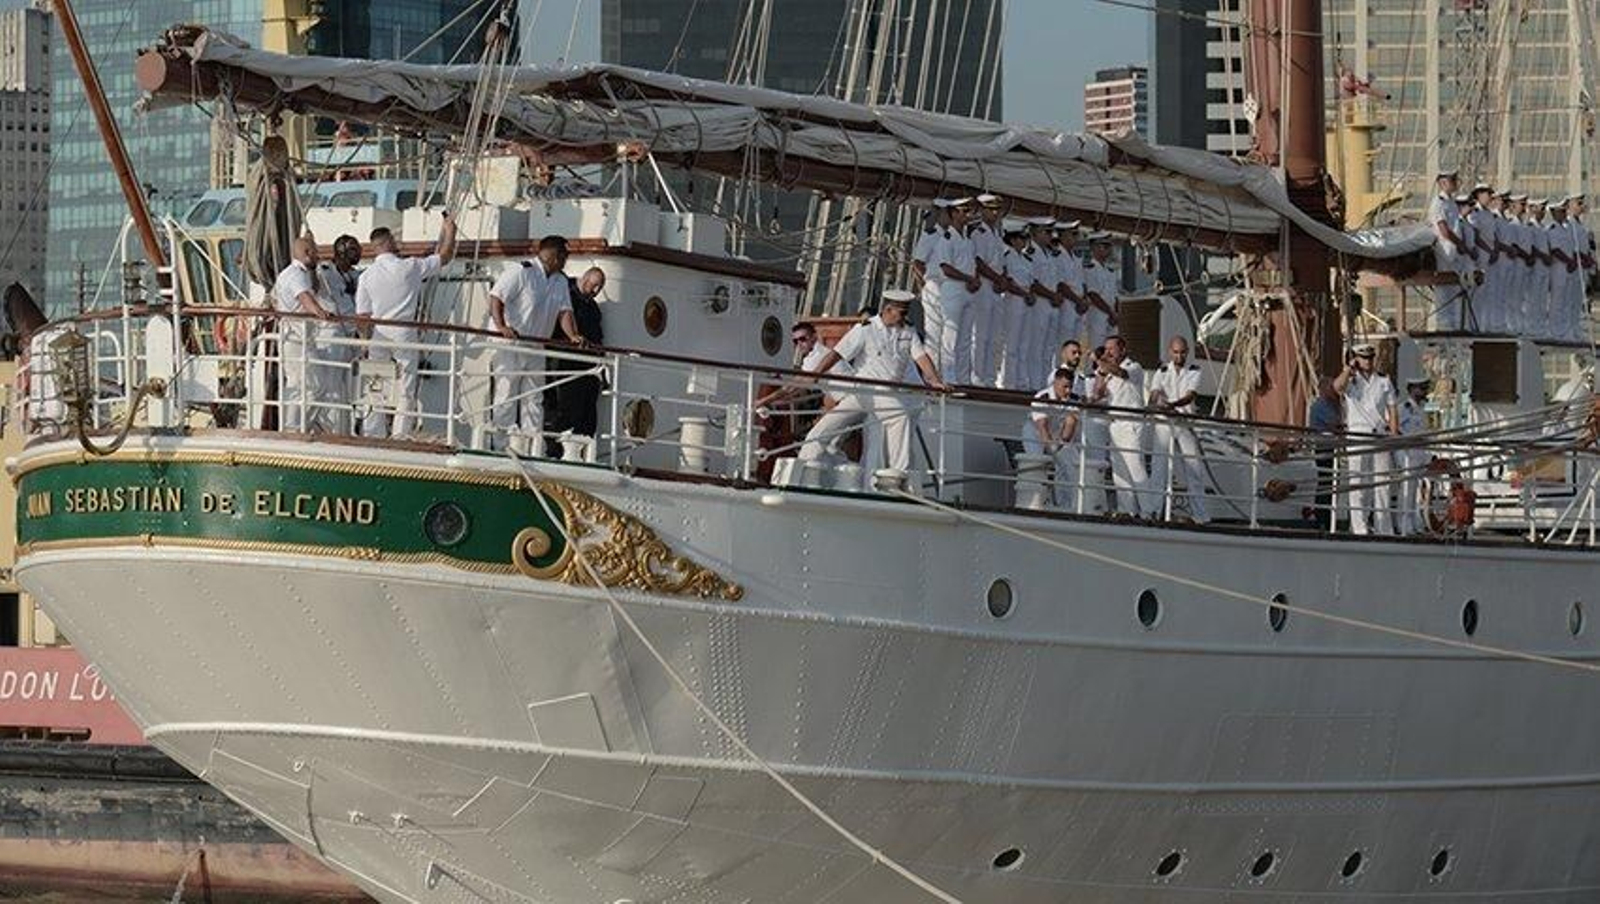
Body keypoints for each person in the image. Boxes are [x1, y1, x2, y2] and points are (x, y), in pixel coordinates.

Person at [795, 289, 947, 485]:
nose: (904, 317)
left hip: (886, 393)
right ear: (888, 309)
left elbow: (921, 356)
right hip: (863, 390)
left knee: (898, 418)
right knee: (824, 430)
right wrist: (816, 374)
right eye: (901, 313)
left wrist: (935, 381)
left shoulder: (908, 331)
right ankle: (804, 469)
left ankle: (897, 476)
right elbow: (837, 354)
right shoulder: (865, 329)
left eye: (906, 313)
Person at [354, 213, 457, 439]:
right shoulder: (410, 266)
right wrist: (450, 230)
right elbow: (445, 256)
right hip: (404, 331)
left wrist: (364, 343)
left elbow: (362, 316)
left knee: (376, 382)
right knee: (406, 384)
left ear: (374, 248)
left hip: (379, 332)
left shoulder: (366, 276)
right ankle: (400, 433)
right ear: (390, 242)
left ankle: (373, 432)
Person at [487, 234, 587, 455]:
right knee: (507, 394)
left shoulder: (560, 281)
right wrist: (501, 326)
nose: (566, 260)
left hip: (536, 346)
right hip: (510, 343)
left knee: (534, 398)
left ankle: (532, 447)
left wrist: (573, 335)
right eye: (565, 256)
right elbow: (496, 297)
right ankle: (501, 446)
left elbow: (565, 312)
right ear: (554, 255)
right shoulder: (521, 271)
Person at [1333, 343, 1398, 536]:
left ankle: (1383, 528)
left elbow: (1392, 409)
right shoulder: (1351, 381)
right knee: (1358, 483)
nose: (1367, 361)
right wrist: (1348, 369)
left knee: (1382, 484)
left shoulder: (1384, 381)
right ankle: (1359, 528)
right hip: (1358, 434)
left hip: (1379, 434)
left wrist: (1393, 434)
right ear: (1356, 359)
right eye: (1363, 358)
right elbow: (1337, 387)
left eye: (1370, 358)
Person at [912, 199, 979, 381]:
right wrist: (925, 284)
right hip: (936, 285)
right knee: (935, 335)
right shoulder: (932, 235)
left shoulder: (964, 238)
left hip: (956, 286)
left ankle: (960, 378)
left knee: (960, 337)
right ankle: (933, 378)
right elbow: (918, 263)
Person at [271, 235, 333, 433]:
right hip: (297, 340)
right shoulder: (297, 275)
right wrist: (320, 312)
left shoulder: (289, 273)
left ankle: (298, 426)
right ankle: (295, 428)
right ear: (307, 253)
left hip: (297, 338)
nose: (318, 256)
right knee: (312, 385)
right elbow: (304, 297)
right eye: (315, 252)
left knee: (302, 384)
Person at [1146, 335, 1210, 523]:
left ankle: (1200, 515)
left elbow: (1190, 396)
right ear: (1170, 352)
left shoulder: (1194, 371)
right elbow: (1154, 393)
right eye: (1175, 352)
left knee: (1194, 468)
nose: (1179, 356)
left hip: (1184, 422)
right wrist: (1156, 402)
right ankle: (1154, 512)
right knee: (1159, 468)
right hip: (1164, 423)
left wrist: (1172, 405)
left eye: (1182, 353)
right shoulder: (1162, 371)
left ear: (1187, 352)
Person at [546, 265, 607, 457]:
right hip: (564, 360)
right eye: (594, 286)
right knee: (563, 407)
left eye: (599, 288)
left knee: (587, 412)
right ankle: (555, 451)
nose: (596, 291)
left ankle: (581, 452)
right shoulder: (566, 294)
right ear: (585, 279)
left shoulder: (593, 308)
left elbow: (597, 336)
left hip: (587, 366)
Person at [1090, 334, 1154, 517]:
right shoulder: (1107, 370)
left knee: (1136, 468)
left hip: (1131, 424)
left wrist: (1101, 361)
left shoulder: (1134, 367)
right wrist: (1101, 372)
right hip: (1115, 424)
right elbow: (1097, 393)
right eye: (1106, 349)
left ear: (1123, 349)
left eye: (1112, 348)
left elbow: (1121, 374)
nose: (1108, 352)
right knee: (1119, 472)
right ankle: (1127, 511)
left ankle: (1149, 511)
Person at [314, 233, 362, 433]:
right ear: (341, 252)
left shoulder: (356, 276)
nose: (356, 254)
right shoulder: (324, 272)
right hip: (332, 334)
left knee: (351, 385)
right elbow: (312, 282)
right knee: (331, 383)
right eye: (352, 250)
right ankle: (329, 428)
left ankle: (347, 428)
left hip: (352, 335)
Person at [1023, 367, 1082, 510]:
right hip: (1035, 434)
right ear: (1055, 382)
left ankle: (1067, 505)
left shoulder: (1073, 399)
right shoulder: (1042, 397)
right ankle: (1035, 504)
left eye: (1070, 387)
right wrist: (1052, 451)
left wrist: (1059, 447)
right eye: (1065, 387)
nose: (1068, 391)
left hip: (1058, 435)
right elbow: (1042, 427)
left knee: (1071, 463)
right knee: (1037, 463)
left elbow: (1070, 423)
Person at [967, 194, 1009, 386]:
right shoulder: (978, 233)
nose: (995, 213)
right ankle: (976, 377)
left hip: (996, 289)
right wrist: (998, 278)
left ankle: (990, 377)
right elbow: (978, 262)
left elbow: (1002, 262)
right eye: (991, 209)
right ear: (982, 210)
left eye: (997, 210)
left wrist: (1003, 279)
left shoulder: (997, 234)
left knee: (994, 336)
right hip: (984, 286)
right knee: (980, 335)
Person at [1428, 170, 1472, 330]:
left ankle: (1454, 323)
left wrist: (1459, 245)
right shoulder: (1438, 203)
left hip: (1454, 250)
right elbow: (1444, 230)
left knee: (1455, 287)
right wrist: (1460, 243)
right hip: (1444, 249)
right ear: (1442, 183)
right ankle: (1444, 324)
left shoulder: (1451, 203)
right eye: (1452, 180)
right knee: (1444, 287)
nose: (1455, 183)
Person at [995, 218, 1036, 390]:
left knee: (1024, 343)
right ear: (1012, 240)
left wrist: (1030, 294)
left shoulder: (1026, 259)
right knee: (1011, 344)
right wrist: (1025, 294)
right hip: (1014, 299)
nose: (1024, 241)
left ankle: (1021, 381)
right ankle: (1008, 382)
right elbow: (1008, 281)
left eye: (1025, 238)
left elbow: (1032, 281)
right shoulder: (1007, 257)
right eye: (1021, 238)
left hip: (1027, 300)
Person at [1306, 375, 1344, 528]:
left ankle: (1326, 516)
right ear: (1323, 389)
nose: (1333, 390)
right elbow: (1335, 424)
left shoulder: (1332, 405)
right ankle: (1321, 517)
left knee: (1332, 481)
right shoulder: (1319, 405)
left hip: (1332, 446)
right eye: (1330, 387)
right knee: (1326, 480)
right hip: (1324, 446)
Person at [1396, 377, 1431, 536]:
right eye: (1420, 388)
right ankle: (1404, 525)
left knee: (1417, 493)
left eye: (1424, 388)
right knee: (1407, 490)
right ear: (1411, 390)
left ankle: (1416, 523)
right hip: (1408, 453)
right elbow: (1395, 429)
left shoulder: (1421, 410)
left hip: (1419, 454)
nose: (1424, 392)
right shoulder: (1404, 408)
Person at [1465, 183, 1501, 333]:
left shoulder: (1489, 214)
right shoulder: (1475, 213)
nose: (1490, 197)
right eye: (1487, 194)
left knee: (1490, 291)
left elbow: (1494, 234)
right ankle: (1474, 325)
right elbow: (1476, 236)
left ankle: (1486, 324)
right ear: (1479, 195)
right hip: (1481, 254)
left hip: (1491, 255)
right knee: (1478, 291)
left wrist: (1495, 250)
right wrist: (1489, 250)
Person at [1052, 221, 1087, 361]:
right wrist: (1078, 301)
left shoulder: (1076, 257)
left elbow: (1082, 282)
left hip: (1079, 304)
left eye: (1076, 234)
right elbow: (1060, 284)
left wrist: (1084, 300)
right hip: (1067, 302)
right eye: (1072, 234)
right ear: (1062, 236)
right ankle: (1060, 369)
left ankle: (1071, 370)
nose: (1075, 237)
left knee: (1075, 344)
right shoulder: (1057, 256)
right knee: (1064, 342)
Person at [1082, 233, 1120, 351]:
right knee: (1097, 349)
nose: (1107, 249)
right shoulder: (1090, 269)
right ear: (1093, 248)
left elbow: (1115, 296)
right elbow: (1093, 295)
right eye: (1104, 246)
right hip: (1098, 314)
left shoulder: (1110, 271)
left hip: (1111, 316)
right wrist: (1110, 312)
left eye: (1108, 246)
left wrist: (1116, 313)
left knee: (1113, 350)